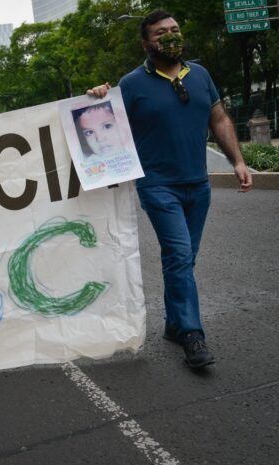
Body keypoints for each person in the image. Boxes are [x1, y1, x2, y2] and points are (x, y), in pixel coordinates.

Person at [87, 9, 252, 369]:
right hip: (158, 186)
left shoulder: (201, 75)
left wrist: (238, 161)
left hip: (199, 184)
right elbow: (103, 123)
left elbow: (219, 118)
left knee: (184, 259)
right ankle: (193, 335)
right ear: (146, 43)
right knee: (178, 255)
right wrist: (99, 97)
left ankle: (175, 324)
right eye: (160, 33)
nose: (170, 36)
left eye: (175, 29)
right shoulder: (132, 84)